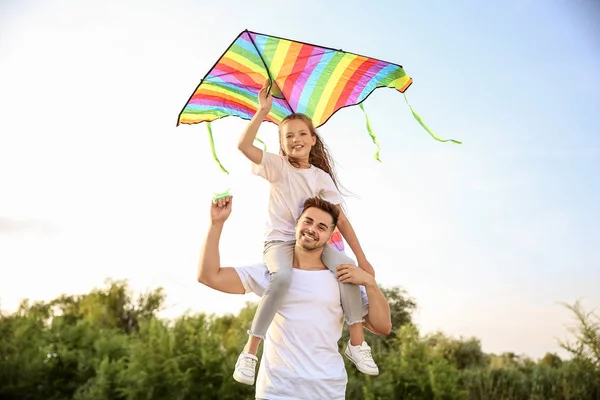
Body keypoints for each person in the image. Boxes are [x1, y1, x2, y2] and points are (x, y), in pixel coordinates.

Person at [227, 79, 378, 385]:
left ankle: (357, 344)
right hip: (280, 243)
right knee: (281, 278)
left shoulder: (320, 177)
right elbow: (243, 146)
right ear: (281, 144)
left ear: (312, 139)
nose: (295, 139)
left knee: (346, 272)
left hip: (314, 244)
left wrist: (362, 259)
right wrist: (262, 111)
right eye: (287, 136)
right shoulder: (276, 166)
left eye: (301, 134)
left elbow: (342, 220)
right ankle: (250, 352)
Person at [198, 195, 392, 399]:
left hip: (328, 390)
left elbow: (382, 326)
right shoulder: (271, 274)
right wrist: (216, 223)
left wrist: (370, 282)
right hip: (277, 391)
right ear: (297, 223)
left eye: (321, 227)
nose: (312, 229)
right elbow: (208, 276)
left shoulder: (343, 278)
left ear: (330, 236)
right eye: (308, 221)